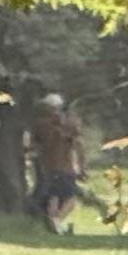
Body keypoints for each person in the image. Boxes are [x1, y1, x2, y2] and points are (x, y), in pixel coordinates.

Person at [28, 93, 85, 234]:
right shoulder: (66, 125)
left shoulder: (40, 125)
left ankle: (53, 222)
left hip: (47, 168)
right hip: (65, 167)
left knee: (54, 197)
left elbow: (33, 144)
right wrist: (82, 167)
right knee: (71, 199)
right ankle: (57, 221)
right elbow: (77, 143)